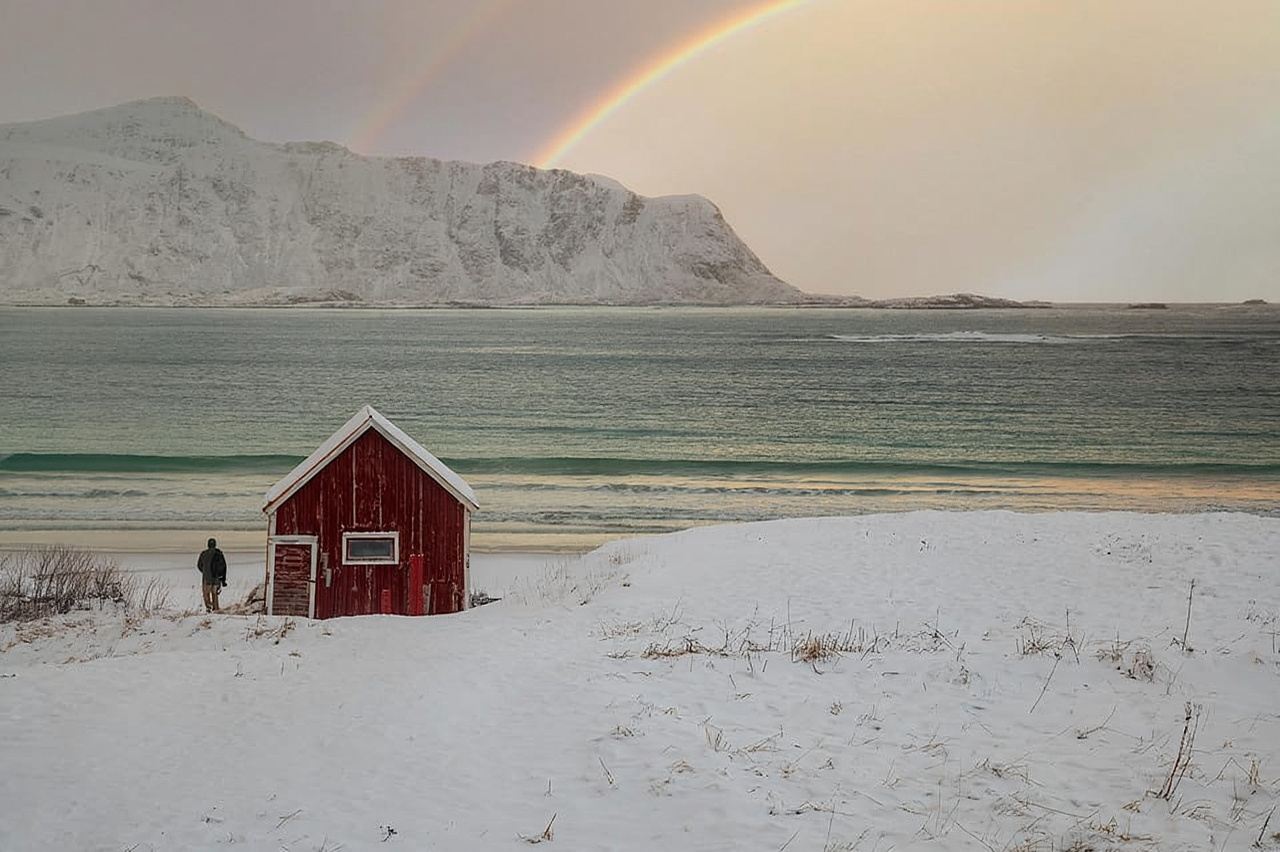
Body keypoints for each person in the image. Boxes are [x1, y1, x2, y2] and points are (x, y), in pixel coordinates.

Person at [197, 537, 227, 613]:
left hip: (207, 578)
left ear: (208, 545)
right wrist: (222, 579)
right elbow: (224, 566)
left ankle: (208, 608)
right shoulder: (219, 553)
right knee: (215, 594)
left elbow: (199, 565)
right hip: (216, 578)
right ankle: (216, 609)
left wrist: (204, 571)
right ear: (215, 545)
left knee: (206, 594)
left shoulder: (203, 554)